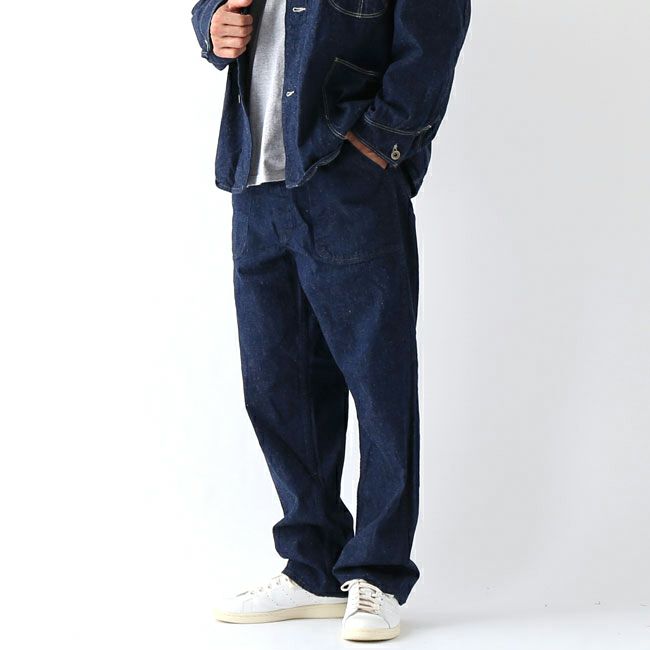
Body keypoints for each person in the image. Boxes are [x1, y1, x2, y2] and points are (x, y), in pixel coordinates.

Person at [191, 0, 470, 641]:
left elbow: (433, 38)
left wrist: (376, 146)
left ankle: (377, 572)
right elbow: (216, 11)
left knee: (378, 383)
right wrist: (211, 25)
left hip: (346, 178)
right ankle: (313, 564)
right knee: (276, 384)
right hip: (256, 180)